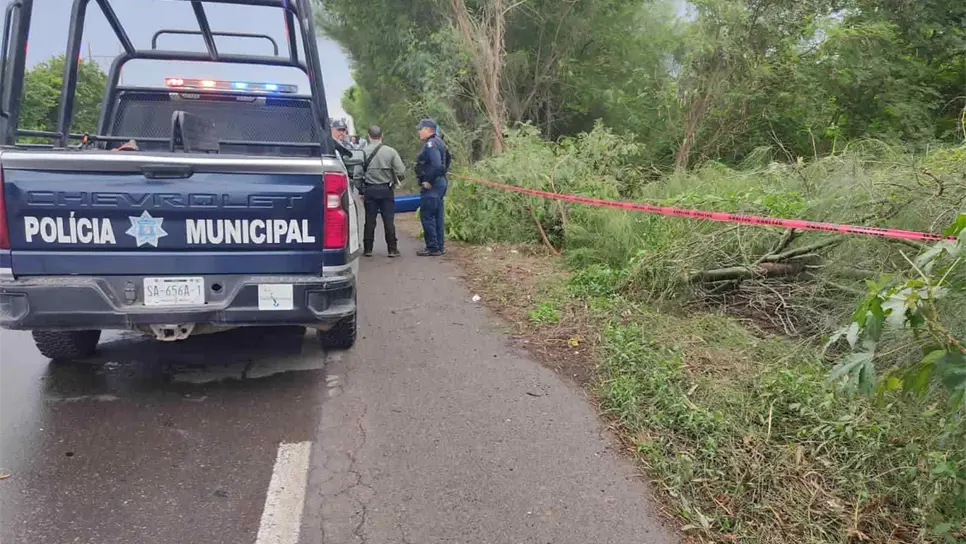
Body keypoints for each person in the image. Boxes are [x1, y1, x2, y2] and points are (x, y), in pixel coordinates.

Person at [360, 125, 406, 258]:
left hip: (370, 189)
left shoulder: (362, 152)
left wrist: (361, 189)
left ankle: (368, 249)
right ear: (382, 136)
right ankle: (392, 249)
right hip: (386, 189)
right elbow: (401, 171)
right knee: (388, 219)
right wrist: (396, 181)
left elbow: (357, 174)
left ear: (368, 136)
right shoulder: (391, 152)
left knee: (370, 220)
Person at [414, 118, 449, 256]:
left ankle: (433, 247)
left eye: (420, 129)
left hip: (433, 185)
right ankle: (439, 246)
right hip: (440, 182)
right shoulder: (440, 141)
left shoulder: (431, 144)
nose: (419, 132)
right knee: (437, 215)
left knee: (427, 215)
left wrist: (428, 180)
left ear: (428, 129)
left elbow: (437, 165)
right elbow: (447, 161)